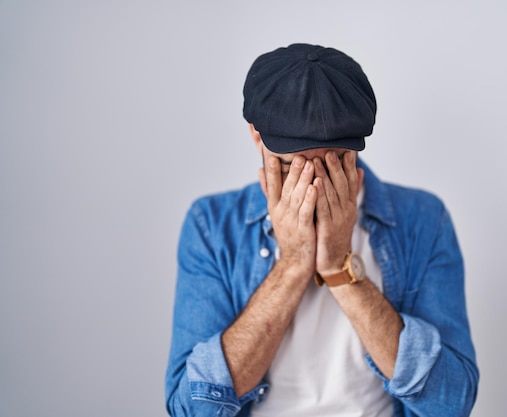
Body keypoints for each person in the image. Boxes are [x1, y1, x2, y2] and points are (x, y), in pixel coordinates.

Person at [165, 43, 478, 417]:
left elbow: (452, 403)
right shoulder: (211, 226)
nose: (311, 188)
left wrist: (339, 268)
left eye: (330, 167)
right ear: (256, 135)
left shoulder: (424, 220)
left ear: (356, 148)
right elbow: (190, 408)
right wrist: (294, 263)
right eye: (292, 168)